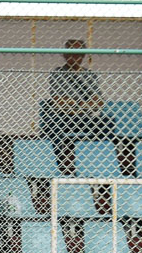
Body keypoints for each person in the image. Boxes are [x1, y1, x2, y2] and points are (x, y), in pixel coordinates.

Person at [40, 39, 115, 175]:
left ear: (83, 56)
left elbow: (98, 102)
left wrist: (73, 103)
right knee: (55, 126)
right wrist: (84, 104)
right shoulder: (58, 74)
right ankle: (61, 167)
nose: (75, 58)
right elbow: (58, 102)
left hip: (84, 118)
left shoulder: (89, 75)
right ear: (65, 55)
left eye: (79, 54)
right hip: (63, 118)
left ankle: (97, 163)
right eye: (71, 54)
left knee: (107, 123)